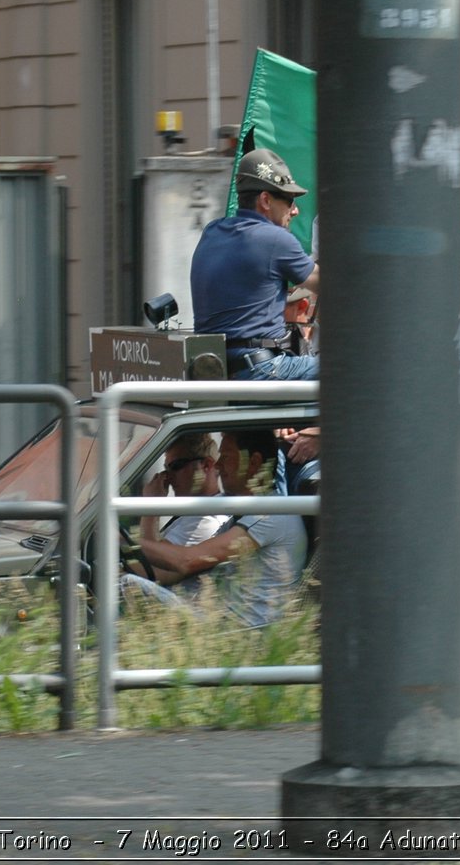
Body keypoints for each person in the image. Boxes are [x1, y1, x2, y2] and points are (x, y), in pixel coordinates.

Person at [137, 429, 308, 628]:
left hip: (241, 637)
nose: (218, 465)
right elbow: (170, 572)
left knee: (130, 586)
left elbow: (186, 560)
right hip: (220, 624)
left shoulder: (271, 514)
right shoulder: (243, 514)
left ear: (253, 463)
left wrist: (116, 541)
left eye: (225, 457)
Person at [190, 149, 319, 381]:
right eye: (289, 201)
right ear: (265, 200)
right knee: (351, 368)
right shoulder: (275, 239)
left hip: (220, 370)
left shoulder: (212, 231)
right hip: (261, 369)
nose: (295, 210)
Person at [138, 432, 230, 548]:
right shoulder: (194, 513)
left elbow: (150, 562)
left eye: (176, 466)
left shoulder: (206, 520)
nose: (168, 477)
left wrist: (151, 505)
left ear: (206, 465)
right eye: (166, 469)